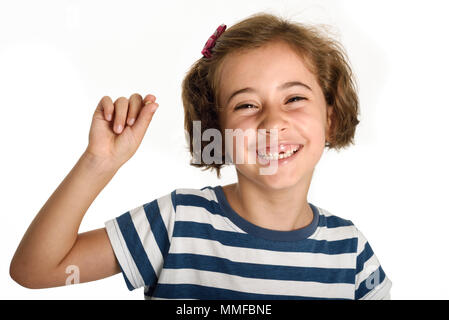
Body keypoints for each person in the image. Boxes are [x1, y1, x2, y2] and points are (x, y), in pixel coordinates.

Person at [9, 12, 392, 300]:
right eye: (246, 105)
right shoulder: (177, 223)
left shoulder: (351, 252)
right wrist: (99, 162)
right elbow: (35, 270)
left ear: (330, 115)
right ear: (216, 130)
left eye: (294, 98)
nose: (273, 122)